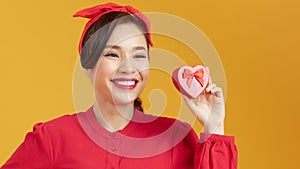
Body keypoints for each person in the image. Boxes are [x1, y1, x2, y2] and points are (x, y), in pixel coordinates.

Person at [1, 2, 238, 169]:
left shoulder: (176, 137)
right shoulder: (52, 138)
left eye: (138, 55)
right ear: (88, 64)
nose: (128, 68)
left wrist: (214, 127)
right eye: (113, 55)